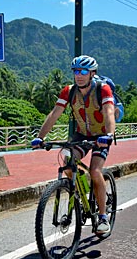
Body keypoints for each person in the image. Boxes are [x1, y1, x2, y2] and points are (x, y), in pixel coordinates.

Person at [31, 55, 116, 235]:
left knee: (95, 171)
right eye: (76, 71)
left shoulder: (103, 89)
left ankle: (102, 216)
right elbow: (54, 114)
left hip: (101, 136)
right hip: (80, 134)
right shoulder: (68, 91)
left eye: (84, 71)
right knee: (67, 161)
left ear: (92, 73)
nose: (79, 75)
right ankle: (78, 192)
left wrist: (109, 135)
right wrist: (40, 138)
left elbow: (109, 113)